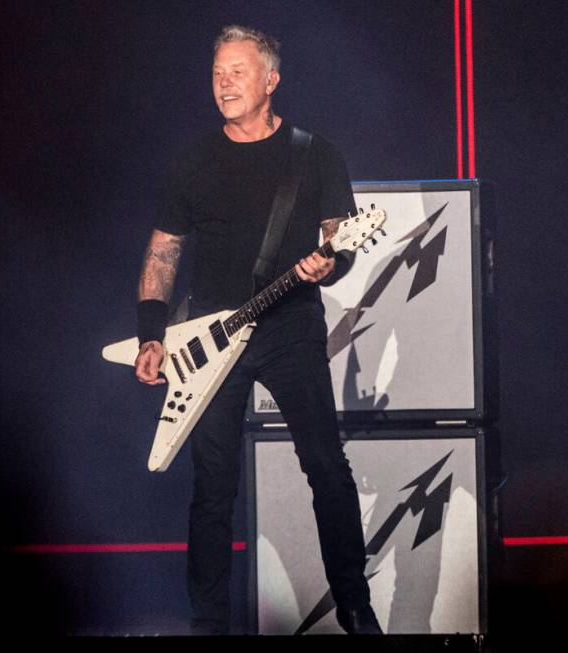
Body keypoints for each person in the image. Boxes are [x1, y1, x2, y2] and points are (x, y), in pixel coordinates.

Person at [133, 25, 382, 636]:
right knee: (211, 488)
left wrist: (333, 261)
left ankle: (355, 608)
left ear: (270, 80)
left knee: (326, 467)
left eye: (237, 72)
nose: (224, 84)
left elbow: (337, 238)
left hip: (289, 325)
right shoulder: (192, 162)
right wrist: (151, 333)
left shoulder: (315, 154)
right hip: (208, 341)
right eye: (217, 73)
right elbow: (163, 253)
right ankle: (207, 622)